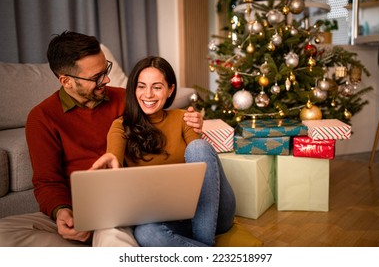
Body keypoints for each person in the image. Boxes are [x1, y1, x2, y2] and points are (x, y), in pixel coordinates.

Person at [0, 31, 203, 247]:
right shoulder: (42, 117)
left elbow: (163, 120)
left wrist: (193, 121)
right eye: (96, 77)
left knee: (114, 239)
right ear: (66, 81)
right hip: (76, 208)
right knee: (5, 232)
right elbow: (47, 182)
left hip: (116, 206)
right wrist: (62, 212)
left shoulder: (125, 99)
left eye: (105, 69)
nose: (106, 79)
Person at [92, 56, 236, 247]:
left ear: (170, 90)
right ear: (134, 90)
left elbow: (202, 165)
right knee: (146, 233)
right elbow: (114, 157)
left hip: (213, 210)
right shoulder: (120, 127)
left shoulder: (184, 118)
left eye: (157, 87)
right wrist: (112, 161)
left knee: (198, 147)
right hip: (170, 218)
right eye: (141, 86)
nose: (148, 94)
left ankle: (205, 244)